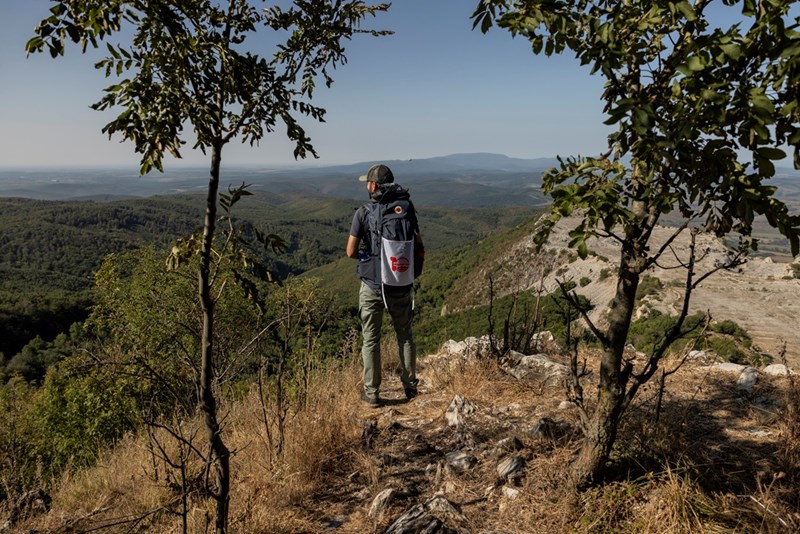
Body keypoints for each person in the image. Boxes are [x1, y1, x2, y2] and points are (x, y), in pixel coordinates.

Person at [346, 164, 422, 407]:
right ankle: (410, 387)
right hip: (400, 282)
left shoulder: (363, 213)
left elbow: (350, 252)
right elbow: (418, 244)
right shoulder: (407, 209)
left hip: (372, 284)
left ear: (373, 186)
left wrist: (369, 257)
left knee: (371, 339)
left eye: (367, 183)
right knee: (405, 335)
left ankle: (372, 393)